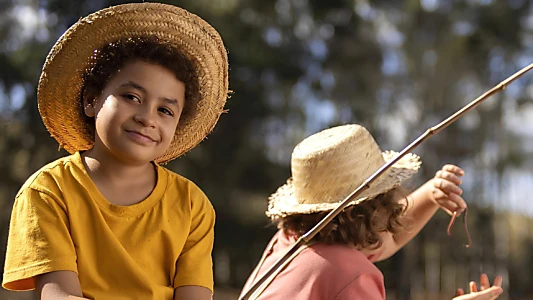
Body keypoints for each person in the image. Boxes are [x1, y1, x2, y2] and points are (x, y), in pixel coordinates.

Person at [2, 3, 229, 300]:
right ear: (92, 100)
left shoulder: (191, 206)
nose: (147, 117)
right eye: (131, 96)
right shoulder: (48, 192)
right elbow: (58, 296)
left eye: (164, 110)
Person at [240, 124, 503, 300]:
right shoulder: (350, 274)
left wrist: (431, 192)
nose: (393, 203)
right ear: (368, 210)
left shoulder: (287, 242)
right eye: (386, 194)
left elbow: (388, 240)